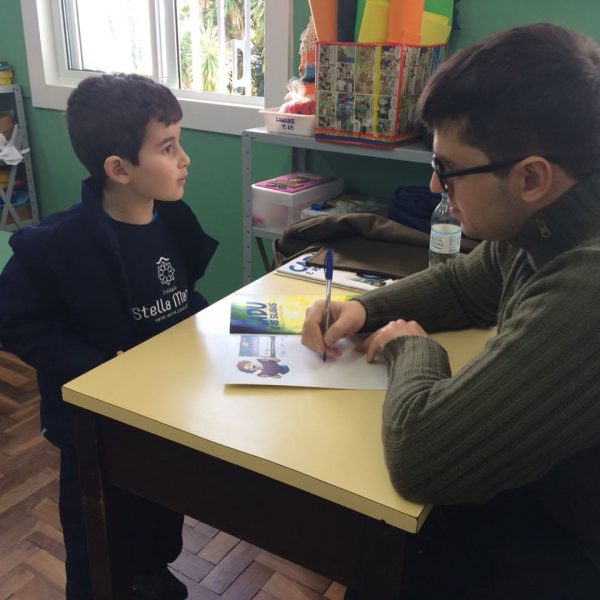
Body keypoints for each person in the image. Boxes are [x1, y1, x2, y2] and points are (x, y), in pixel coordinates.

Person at [301, 23, 600, 599]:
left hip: (577, 543)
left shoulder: (588, 284)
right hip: (553, 486)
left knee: (387, 547)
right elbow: (468, 285)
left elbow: (422, 455)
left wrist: (412, 348)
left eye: (448, 168)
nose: (436, 186)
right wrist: (362, 309)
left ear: (531, 177)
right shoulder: (550, 218)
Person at [0, 73, 218, 599]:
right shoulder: (59, 245)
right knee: (98, 536)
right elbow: (13, 319)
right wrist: (96, 366)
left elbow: (178, 296)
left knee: (160, 513)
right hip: (94, 427)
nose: (184, 158)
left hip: (160, 407)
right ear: (119, 169)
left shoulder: (173, 219)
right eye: (168, 147)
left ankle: (150, 574)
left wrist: (209, 323)